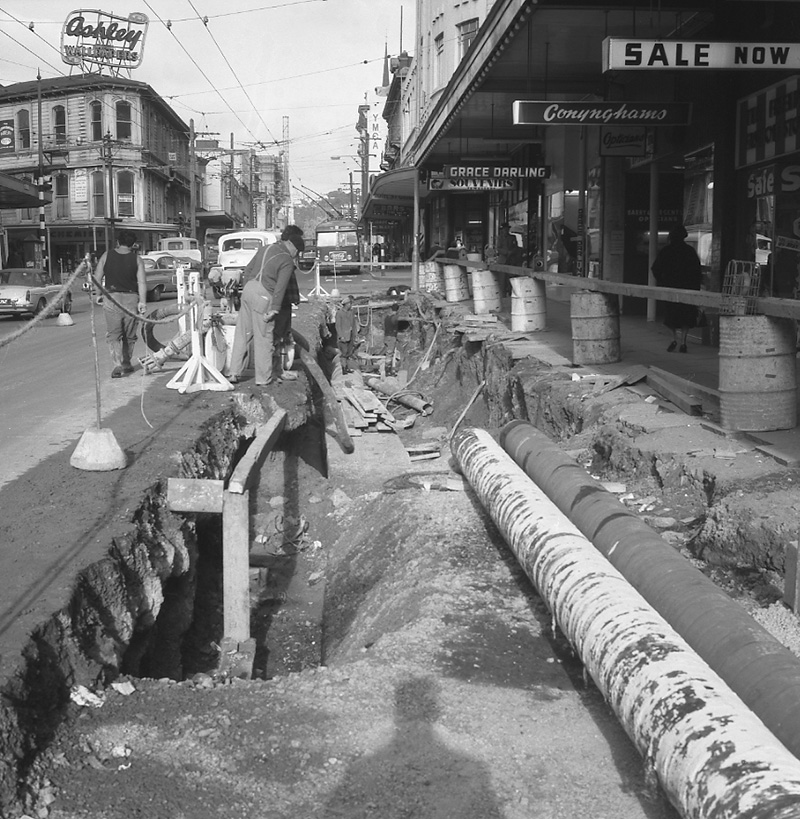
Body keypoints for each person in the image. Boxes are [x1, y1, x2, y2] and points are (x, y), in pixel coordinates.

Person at [228, 225, 304, 386]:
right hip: (264, 295)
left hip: (248, 290)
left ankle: (234, 372)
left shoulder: (265, 248)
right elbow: (280, 287)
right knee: (264, 338)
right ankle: (263, 378)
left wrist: (250, 288)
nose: (296, 255)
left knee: (242, 334)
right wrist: (275, 308)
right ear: (291, 245)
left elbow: (248, 270)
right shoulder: (286, 260)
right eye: (297, 251)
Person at [92, 230, 147, 378]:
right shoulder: (137, 259)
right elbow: (141, 282)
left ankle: (117, 364)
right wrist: (142, 301)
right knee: (129, 335)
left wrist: (97, 294)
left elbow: (97, 277)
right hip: (131, 300)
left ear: (118, 242)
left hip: (112, 299)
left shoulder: (106, 256)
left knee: (114, 334)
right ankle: (127, 363)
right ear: (133, 244)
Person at [651, 223, 703, 353]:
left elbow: (655, 268)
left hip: (670, 287)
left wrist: (662, 281)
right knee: (686, 315)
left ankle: (673, 339)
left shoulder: (666, 251)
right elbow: (697, 271)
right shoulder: (689, 251)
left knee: (670, 315)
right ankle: (683, 342)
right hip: (687, 288)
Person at [334, 296, 358, 373]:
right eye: (349, 304)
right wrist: (341, 336)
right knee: (344, 353)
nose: (350, 305)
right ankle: (344, 368)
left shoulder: (351, 313)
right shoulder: (339, 313)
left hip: (350, 336)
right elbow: (338, 326)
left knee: (349, 352)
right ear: (346, 304)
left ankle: (347, 367)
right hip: (343, 337)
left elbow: (353, 325)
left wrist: (355, 335)